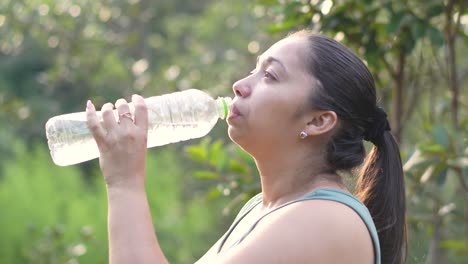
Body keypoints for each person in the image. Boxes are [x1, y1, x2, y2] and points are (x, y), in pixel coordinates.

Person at [86, 30, 406, 264]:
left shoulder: (327, 219)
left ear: (318, 121)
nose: (240, 85)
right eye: (253, 69)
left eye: (269, 75)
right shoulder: (263, 209)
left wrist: (125, 183)